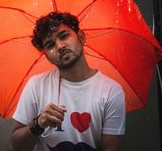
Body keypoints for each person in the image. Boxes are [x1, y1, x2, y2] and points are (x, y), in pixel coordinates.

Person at [11, 12, 126, 151]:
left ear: (81, 37)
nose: (59, 46)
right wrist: (38, 124)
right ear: (47, 56)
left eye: (64, 36)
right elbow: (18, 146)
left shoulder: (111, 91)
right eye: (50, 45)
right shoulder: (36, 86)